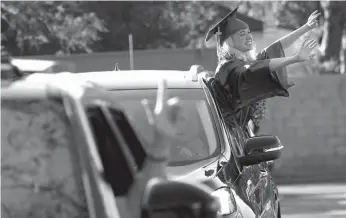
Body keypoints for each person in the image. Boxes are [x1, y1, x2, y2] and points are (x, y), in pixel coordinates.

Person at [204, 7, 320, 137]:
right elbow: (254, 69)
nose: (249, 37)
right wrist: (295, 58)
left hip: (240, 134)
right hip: (229, 135)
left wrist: (307, 27)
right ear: (230, 41)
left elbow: (274, 48)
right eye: (242, 34)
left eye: (249, 32)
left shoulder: (241, 61)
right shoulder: (227, 67)